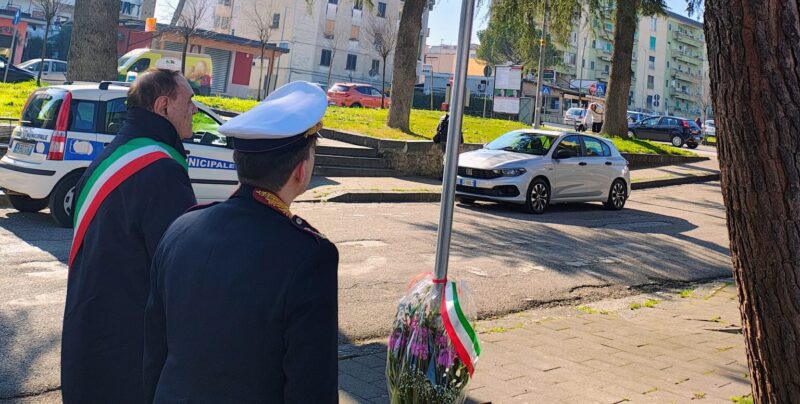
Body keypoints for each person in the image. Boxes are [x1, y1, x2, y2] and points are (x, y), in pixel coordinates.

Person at [143, 81, 339, 403]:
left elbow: (154, 356)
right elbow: (311, 387)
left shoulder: (181, 228)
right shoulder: (310, 256)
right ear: (302, 171)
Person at [61, 69, 198, 404]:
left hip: (88, 338)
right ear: (164, 106)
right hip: (130, 353)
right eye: (190, 100)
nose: (195, 109)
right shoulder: (161, 169)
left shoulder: (109, 156)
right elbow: (182, 271)